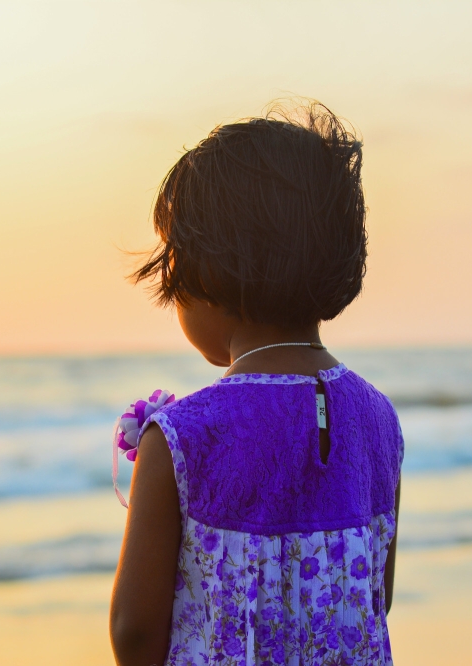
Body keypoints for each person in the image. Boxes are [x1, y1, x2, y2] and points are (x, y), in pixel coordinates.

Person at [110, 101, 403, 666]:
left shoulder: (180, 438)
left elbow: (134, 633)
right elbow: (374, 598)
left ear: (207, 273)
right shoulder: (378, 419)